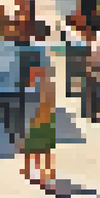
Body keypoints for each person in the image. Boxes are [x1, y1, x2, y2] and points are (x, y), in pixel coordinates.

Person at [21, 62, 58, 191]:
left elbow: (30, 105)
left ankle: (38, 172)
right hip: (46, 120)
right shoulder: (48, 86)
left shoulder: (34, 87)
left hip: (37, 121)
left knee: (35, 148)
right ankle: (45, 172)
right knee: (43, 149)